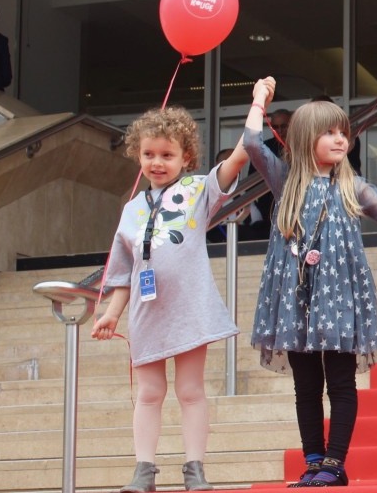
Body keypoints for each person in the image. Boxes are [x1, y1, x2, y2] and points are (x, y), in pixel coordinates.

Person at [242, 77, 377, 487]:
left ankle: (335, 462)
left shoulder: (352, 185)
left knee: (340, 380)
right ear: (304, 139)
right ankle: (313, 459)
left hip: (339, 298)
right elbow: (252, 143)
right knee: (306, 385)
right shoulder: (285, 180)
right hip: (296, 298)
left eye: (344, 132)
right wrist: (258, 100)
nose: (341, 140)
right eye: (330, 132)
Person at [92, 106, 247, 492]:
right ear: (137, 155)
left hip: (189, 309)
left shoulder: (197, 191)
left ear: (186, 158)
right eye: (149, 154)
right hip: (147, 314)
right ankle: (143, 471)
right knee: (149, 393)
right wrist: (111, 314)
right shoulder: (131, 210)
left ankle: (195, 470)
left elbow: (241, 156)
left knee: (190, 391)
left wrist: (258, 104)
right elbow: (125, 271)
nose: (157, 163)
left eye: (167, 155)